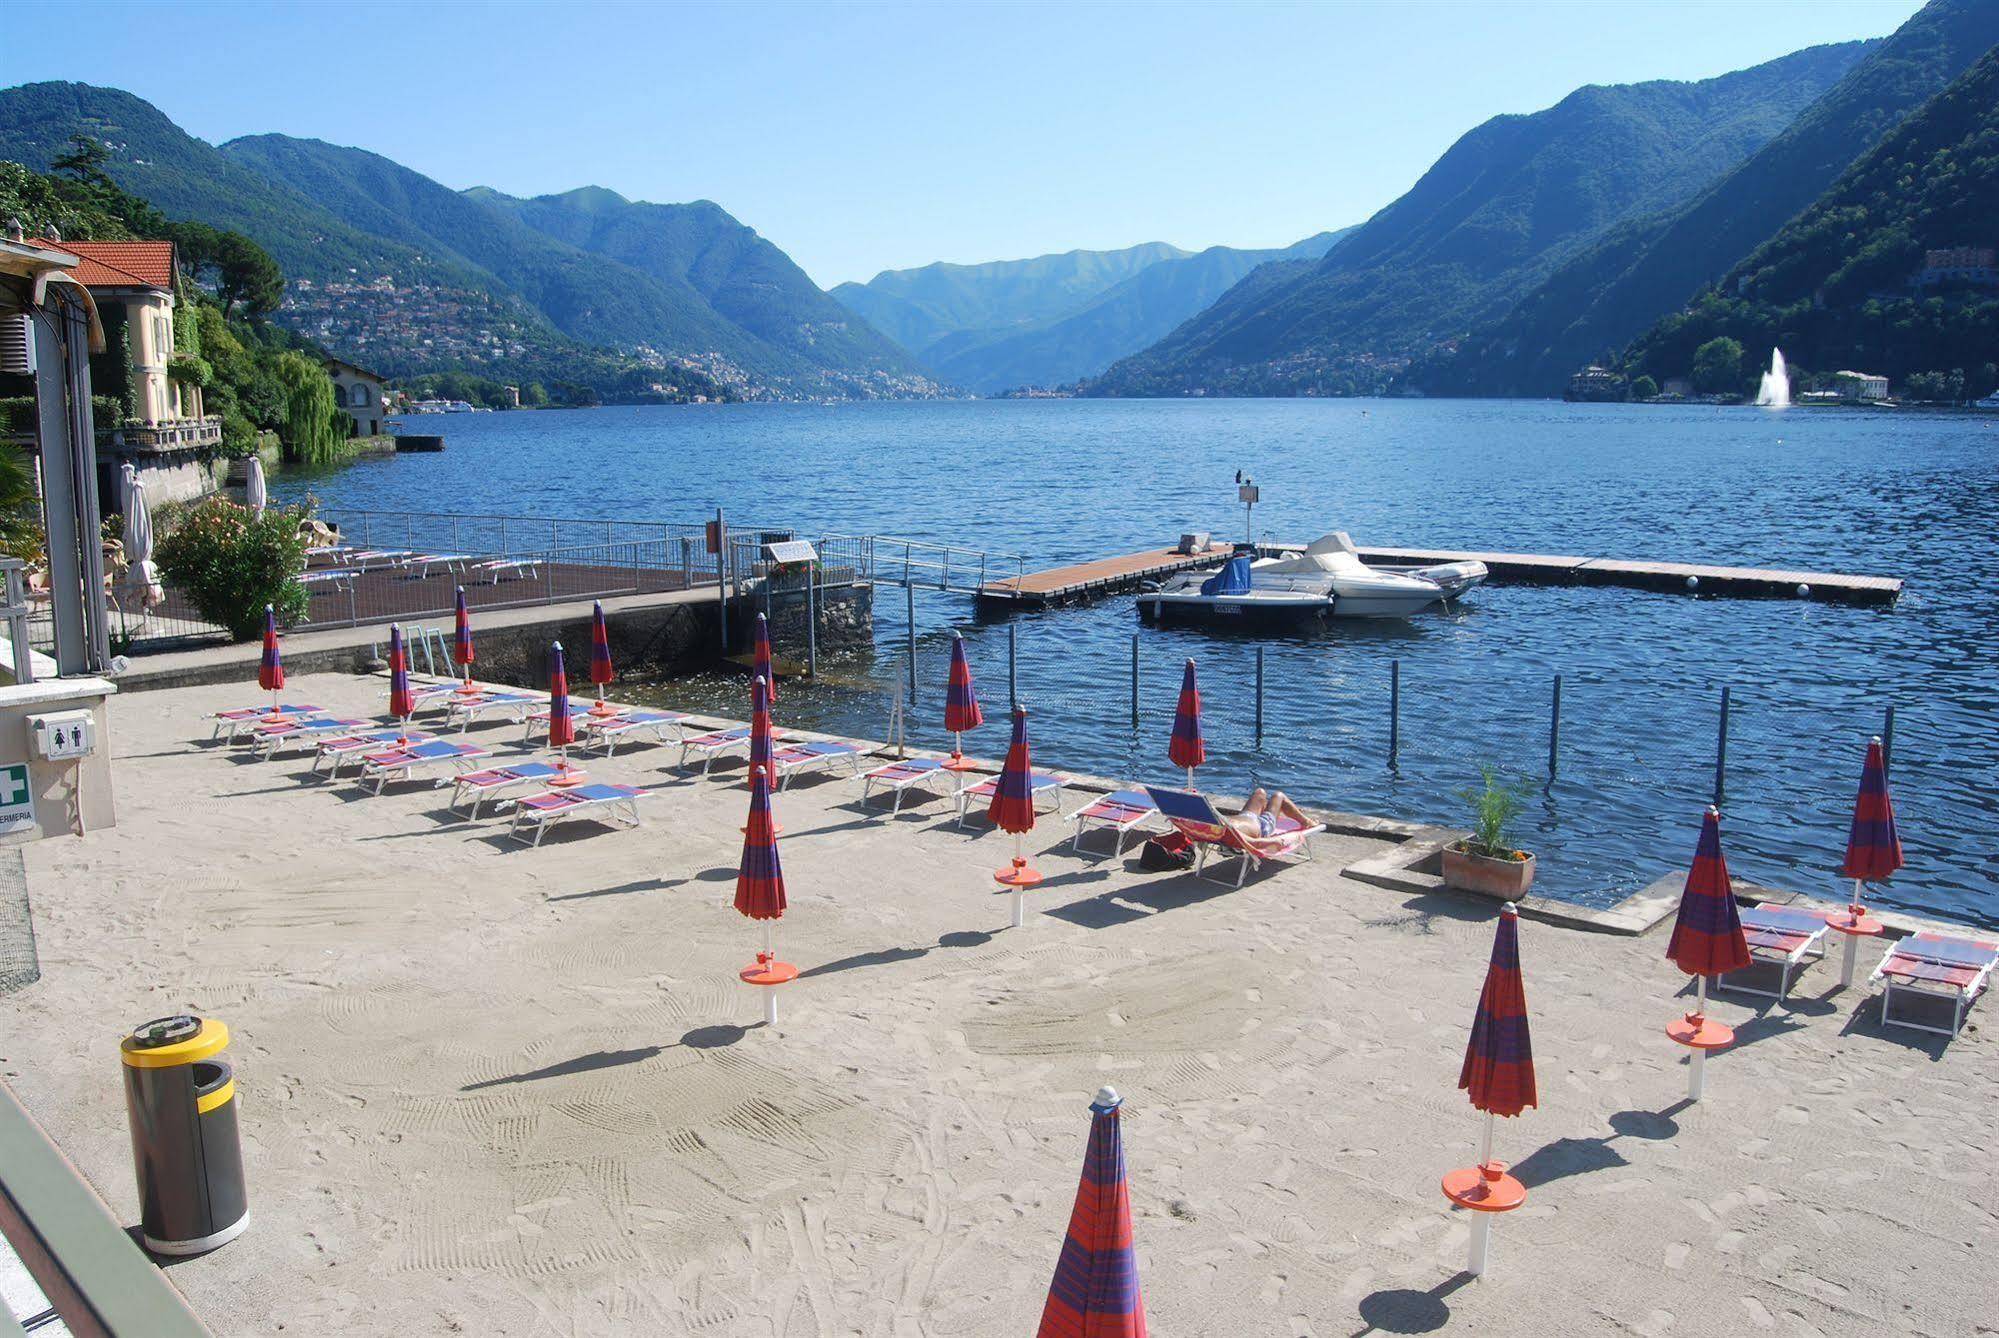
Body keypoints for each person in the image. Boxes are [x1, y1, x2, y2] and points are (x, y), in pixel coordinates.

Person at [1226, 788, 1308, 840]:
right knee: (1279, 796)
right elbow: (1255, 842)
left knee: (1260, 792)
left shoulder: (1216, 821)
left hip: (1245, 817)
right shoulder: (1228, 829)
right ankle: (1307, 822)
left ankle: (1268, 810)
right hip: (1260, 826)